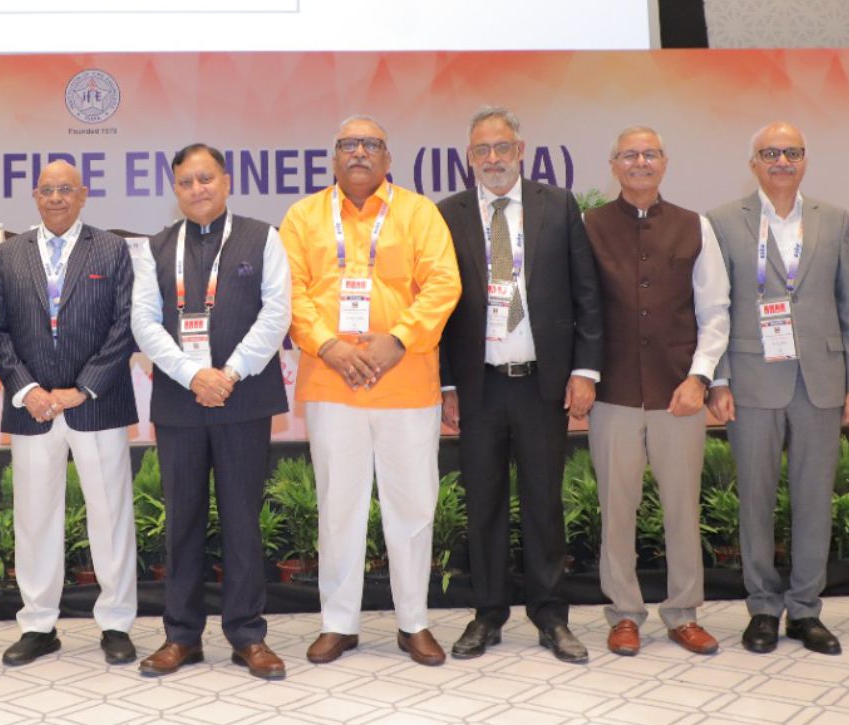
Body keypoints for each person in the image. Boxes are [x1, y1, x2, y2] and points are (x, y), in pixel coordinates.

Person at [279, 116, 461, 667]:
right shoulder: (303, 216)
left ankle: (414, 622)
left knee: (413, 507)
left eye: (371, 144)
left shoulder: (418, 213)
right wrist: (329, 346)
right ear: (333, 157)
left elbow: (443, 283)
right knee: (339, 507)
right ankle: (339, 623)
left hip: (406, 383)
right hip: (332, 382)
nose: (359, 152)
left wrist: (398, 340)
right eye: (349, 144)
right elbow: (289, 291)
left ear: (387, 158)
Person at [437, 106, 602, 664]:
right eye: (481, 150)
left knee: (543, 503)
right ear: (469, 157)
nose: (493, 159)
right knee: (482, 504)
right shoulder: (448, 214)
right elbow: (439, 308)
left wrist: (584, 371)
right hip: (479, 387)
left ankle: (550, 615)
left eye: (501, 147)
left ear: (521, 149)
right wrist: (447, 386)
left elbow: (586, 293)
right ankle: (488, 613)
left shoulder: (557, 205)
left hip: (541, 384)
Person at [704, 123, 849, 656]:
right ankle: (761, 607)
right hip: (752, 379)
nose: (782, 161)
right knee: (755, 499)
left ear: (805, 160)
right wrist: (719, 379)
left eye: (792, 152)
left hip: (821, 379)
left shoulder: (833, 217)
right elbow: (715, 307)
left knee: (814, 498)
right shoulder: (722, 221)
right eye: (771, 152)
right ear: (753, 162)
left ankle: (805, 609)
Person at [129, 144, 291, 679]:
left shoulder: (262, 237)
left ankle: (248, 635)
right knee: (183, 520)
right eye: (186, 182)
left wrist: (230, 373)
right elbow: (145, 322)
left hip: (244, 399)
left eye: (205, 178)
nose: (197, 189)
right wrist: (193, 375)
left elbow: (277, 313)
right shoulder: (155, 247)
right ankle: (181, 636)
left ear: (226, 181)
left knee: (243, 517)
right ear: (175, 190)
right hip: (181, 401)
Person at [0, 159, 142, 667]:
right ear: (35, 195)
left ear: (83, 194)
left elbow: (126, 325)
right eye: (47, 190)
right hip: (32, 408)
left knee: (110, 516)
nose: (56, 198)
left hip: (97, 403)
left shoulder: (111, 249)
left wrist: (84, 388)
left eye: (66, 189)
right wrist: (27, 389)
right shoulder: (10, 254)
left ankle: (116, 622)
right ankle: (38, 624)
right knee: (33, 518)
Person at [582, 126, 730, 657]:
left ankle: (683, 613)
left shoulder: (695, 226)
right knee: (616, 507)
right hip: (613, 392)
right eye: (629, 155)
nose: (640, 162)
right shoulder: (590, 226)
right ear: (613, 165)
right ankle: (624, 613)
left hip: (679, 393)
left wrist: (700, 377)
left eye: (649, 154)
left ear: (664, 163)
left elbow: (715, 311)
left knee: (681, 507)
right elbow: (580, 308)